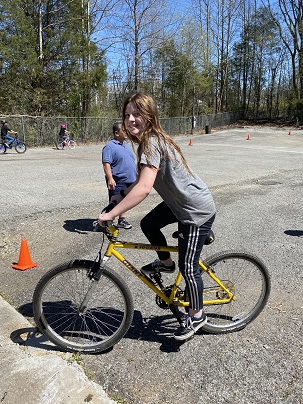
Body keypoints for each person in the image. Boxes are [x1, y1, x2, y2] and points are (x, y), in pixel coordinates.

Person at [98, 92, 216, 341]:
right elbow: (140, 182)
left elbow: (143, 188)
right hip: (179, 204)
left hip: (195, 211)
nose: (131, 119)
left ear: (149, 116)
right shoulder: (147, 142)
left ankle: (197, 315)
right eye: (127, 115)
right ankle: (165, 263)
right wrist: (118, 199)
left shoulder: (151, 142)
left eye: (137, 114)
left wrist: (113, 213)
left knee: (189, 267)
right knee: (148, 223)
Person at [102, 121, 137, 229]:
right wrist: (110, 178)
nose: (127, 132)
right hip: (118, 180)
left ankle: (121, 220)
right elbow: (106, 164)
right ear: (116, 133)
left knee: (125, 200)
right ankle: (107, 222)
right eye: (124, 130)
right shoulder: (110, 147)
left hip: (130, 179)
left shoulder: (125, 144)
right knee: (115, 200)